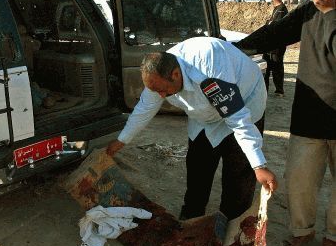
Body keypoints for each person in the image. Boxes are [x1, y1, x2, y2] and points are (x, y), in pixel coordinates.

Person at [106, 37, 278, 222]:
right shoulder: (158, 77)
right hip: (204, 116)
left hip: (243, 103)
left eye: (164, 91)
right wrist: (121, 141)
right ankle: (192, 215)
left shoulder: (208, 68)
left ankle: (232, 224)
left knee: (237, 172)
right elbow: (143, 110)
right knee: (198, 165)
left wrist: (259, 166)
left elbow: (237, 119)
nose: (161, 96)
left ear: (175, 75)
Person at [235, 0, 336, 246]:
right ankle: (303, 229)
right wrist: (233, 50)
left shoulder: (326, 10)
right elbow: (274, 34)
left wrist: (331, 11)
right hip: (308, 117)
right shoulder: (307, 11)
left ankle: (333, 237)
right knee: (299, 181)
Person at [263, 0, 289, 97]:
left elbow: (274, 27)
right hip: (272, 45)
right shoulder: (277, 9)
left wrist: (268, 24)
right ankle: (266, 90)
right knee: (268, 68)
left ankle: (279, 91)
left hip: (276, 46)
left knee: (276, 67)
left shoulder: (281, 10)